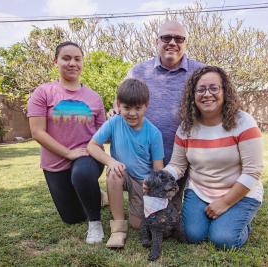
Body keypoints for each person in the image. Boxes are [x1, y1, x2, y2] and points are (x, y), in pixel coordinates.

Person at [163, 65, 264, 249]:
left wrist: (225, 202)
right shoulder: (186, 127)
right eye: (200, 89)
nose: (207, 94)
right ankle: (220, 221)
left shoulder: (243, 122)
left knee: (223, 240)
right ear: (192, 95)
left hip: (240, 192)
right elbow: (177, 166)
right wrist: (160, 177)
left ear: (225, 91)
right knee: (191, 235)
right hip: (200, 191)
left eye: (214, 88)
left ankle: (241, 221)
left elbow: (253, 171)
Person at [109, 20, 205, 211]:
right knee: (144, 219)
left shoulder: (200, 71)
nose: (172, 42)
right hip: (143, 160)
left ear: (185, 43)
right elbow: (121, 99)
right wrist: (114, 111)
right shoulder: (138, 71)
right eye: (166, 37)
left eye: (179, 38)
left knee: (171, 217)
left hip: (182, 161)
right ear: (156, 41)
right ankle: (124, 196)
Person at [27, 41, 106, 244]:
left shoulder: (94, 97)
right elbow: (37, 131)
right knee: (72, 218)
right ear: (56, 61)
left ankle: (95, 224)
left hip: (87, 155)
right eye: (66, 58)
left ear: (82, 62)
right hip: (56, 162)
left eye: (77, 59)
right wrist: (68, 153)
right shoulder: (43, 93)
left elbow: (102, 132)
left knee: (82, 173)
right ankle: (98, 196)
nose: (72, 63)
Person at [88, 78, 164, 248]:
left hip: (142, 181)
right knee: (113, 173)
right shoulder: (114, 122)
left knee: (137, 224)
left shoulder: (154, 133)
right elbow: (92, 146)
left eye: (138, 108)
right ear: (119, 105)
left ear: (146, 105)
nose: (132, 113)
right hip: (121, 174)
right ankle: (118, 229)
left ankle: (109, 197)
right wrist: (111, 161)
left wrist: (151, 186)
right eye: (127, 108)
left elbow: (158, 169)